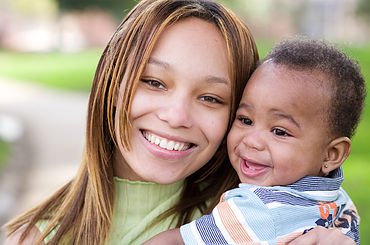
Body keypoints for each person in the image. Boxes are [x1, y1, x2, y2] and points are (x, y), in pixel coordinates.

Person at [3, 0, 357, 244]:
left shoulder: (265, 220)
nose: (176, 116)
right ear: (111, 81)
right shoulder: (33, 239)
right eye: (154, 82)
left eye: (211, 98)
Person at [143, 38, 364, 245]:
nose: (252, 141)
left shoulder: (259, 208)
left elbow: (175, 242)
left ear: (332, 154)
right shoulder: (338, 201)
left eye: (279, 131)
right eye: (245, 120)